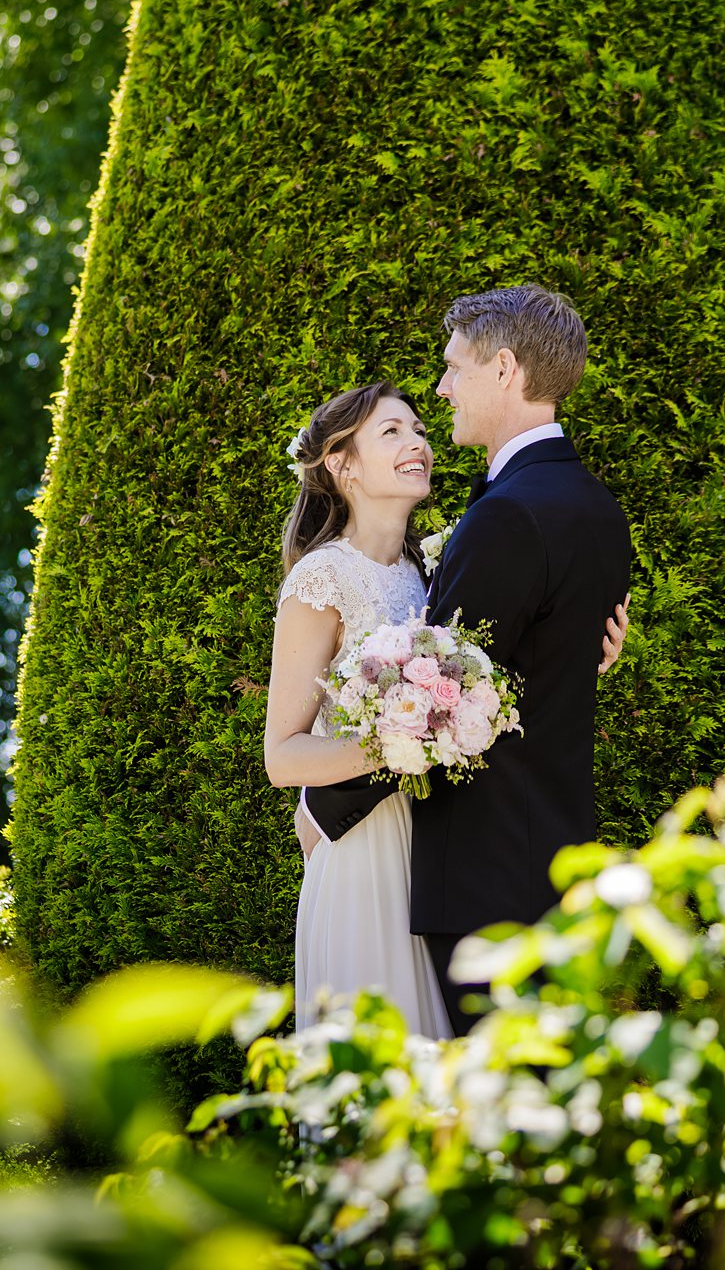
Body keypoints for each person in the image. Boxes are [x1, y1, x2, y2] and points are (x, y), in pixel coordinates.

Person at [297, 284, 634, 1036]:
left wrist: (324, 812)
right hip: (555, 858)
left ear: (505, 369)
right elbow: (527, 664)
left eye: (453, 369)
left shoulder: (507, 515)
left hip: (487, 880)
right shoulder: (597, 509)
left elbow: (446, 699)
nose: (443, 387)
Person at [263, 381, 453, 1036]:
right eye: (392, 432)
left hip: (435, 854)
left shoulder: (432, 571)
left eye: (420, 430)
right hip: (359, 854)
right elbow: (283, 756)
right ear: (343, 466)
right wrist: (395, 744)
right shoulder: (322, 581)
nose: (417, 443)